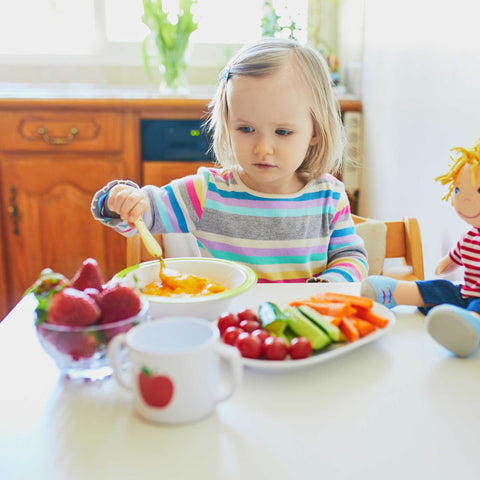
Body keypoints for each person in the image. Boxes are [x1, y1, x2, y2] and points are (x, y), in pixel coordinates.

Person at [91, 38, 367, 283]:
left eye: (282, 132)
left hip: (303, 332)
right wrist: (119, 201)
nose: (263, 148)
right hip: (228, 330)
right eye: (245, 129)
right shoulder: (205, 193)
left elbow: (351, 256)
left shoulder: (329, 195)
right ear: (226, 123)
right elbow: (141, 214)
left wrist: (329, 284)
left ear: (315, 132)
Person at [361, 137, 480, 357]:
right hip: (464, 291)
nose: (464, 200)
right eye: (458, 190)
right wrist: (447, 263)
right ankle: (393, 292)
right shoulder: (469, 236)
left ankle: (469, 329)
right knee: (438, 287)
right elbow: (456, 256)